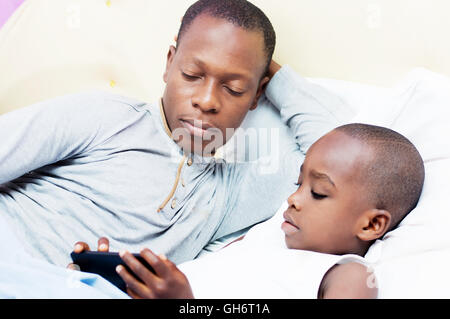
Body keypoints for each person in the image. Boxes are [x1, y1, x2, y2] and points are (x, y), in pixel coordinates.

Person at [0, 0, 350, 267]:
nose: (206, 100)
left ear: (258, 95)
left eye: (233, 88)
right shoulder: (107, 117)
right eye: (193, 75)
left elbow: (340, 149)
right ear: (169, 63)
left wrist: (265, 68)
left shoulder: (229, 196)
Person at [104, 123, 425, 299]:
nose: (294, 200)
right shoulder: (267, 233)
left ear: (371, 224)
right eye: (297, 184)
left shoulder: (348, 274)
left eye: (318, 192)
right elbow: (197, 274)